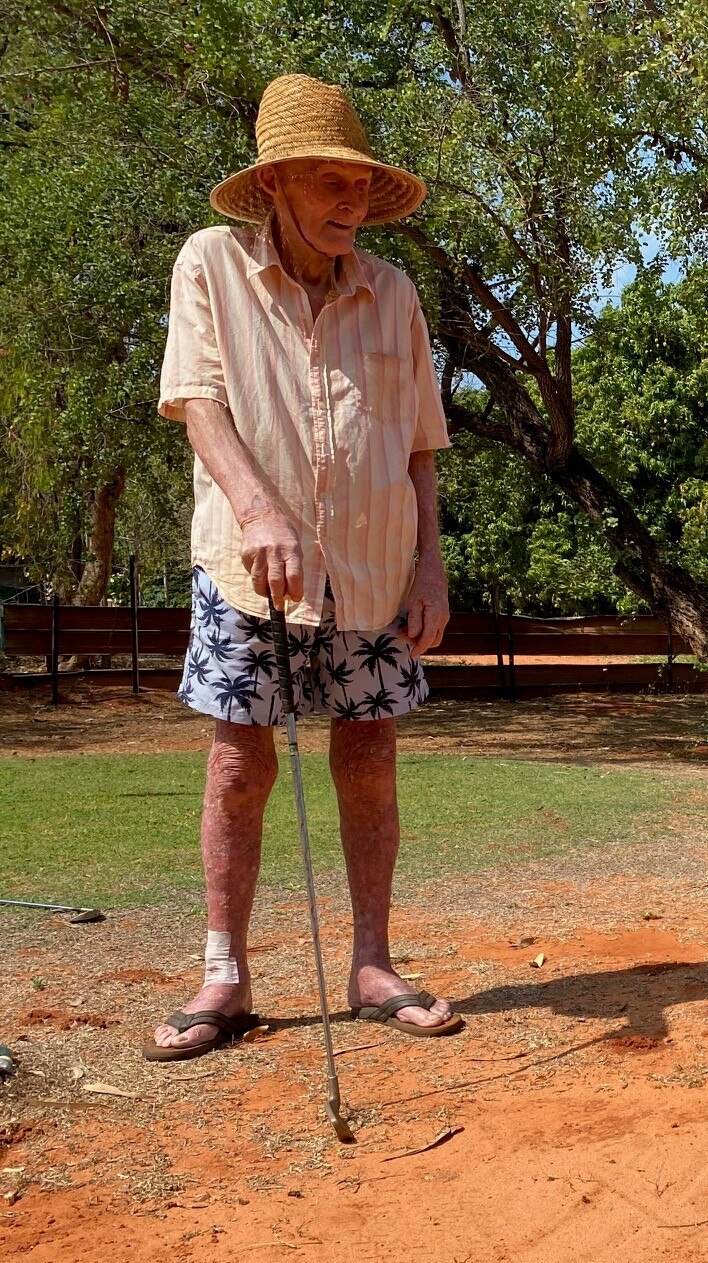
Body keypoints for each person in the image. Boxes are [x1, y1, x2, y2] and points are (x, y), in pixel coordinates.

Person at [145, 74, 462, 1060]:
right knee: (242, 761)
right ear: (276, 181)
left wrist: (431, 567)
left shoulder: (394, 292)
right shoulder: (210, 266)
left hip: (373, 569)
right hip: (251, 573)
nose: (351, 205)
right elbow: (197, 400)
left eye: (361, 187)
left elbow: (418, 443)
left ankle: (372, 963)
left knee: (369, 754)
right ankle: (224, 975)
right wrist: (254, 506)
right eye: (331, 183)